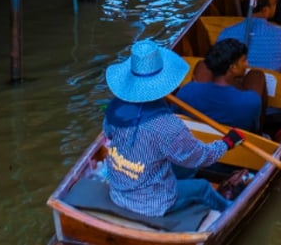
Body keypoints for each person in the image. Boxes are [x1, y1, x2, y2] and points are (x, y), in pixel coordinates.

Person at [100, 40, 243, 218]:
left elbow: (108, 133)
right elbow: (201, 156)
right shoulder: (167, 126)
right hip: (151, 203)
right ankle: (229, 209)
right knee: (203, 187)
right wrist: (227, 143)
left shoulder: (115, 107)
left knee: (188, 169)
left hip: (119, 189)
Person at [176, 38, 265, 133]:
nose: (247, 64)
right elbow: (254, 130)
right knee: (257, 75)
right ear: (232, 68)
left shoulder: (187, 90)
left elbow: (176, 117)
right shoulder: (251, 100)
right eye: (243, 60)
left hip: (194, 141)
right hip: (234, 146)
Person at [217, 0, 281, 78]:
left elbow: (219, 65)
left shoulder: (226, 32)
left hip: (235, 87)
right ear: (265, 10)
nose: (276, 5)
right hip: (276, 90)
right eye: (275, 2)